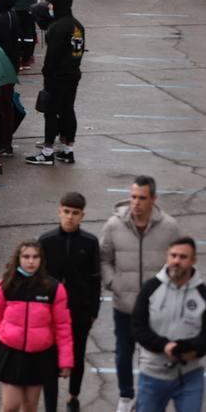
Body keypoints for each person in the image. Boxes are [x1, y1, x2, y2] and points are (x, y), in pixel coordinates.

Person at [103, 175, 183, 412]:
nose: (136, 203)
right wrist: (112, 282)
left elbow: (179, 263)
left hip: (156, 308)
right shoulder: (113, 225)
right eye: (133, 197)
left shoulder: (169, 227)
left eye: (142, 198)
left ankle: (150, 397)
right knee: (123, 353)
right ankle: (126, 397)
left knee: (154, 355)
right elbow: (104, 258)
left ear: (153, 199)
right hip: (124, 304)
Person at [0, 240, 75, 412]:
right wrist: (7, 335)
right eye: (26, 256)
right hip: (12, 353)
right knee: (10, 406)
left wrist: (65, 360)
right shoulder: (5, 286)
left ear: (41, 260)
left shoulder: (53, 288)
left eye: (35, 257)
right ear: (18, 259)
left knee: (30, 406)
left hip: (39, 355)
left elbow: (62, 326)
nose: (31, 261)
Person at [39, 192, 101, 412]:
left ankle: (73, 396)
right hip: (50, 312)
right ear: (59, 211)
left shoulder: (90, 242)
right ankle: (50, 405)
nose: (70, 217)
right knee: (49, 358)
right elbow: (39, 276)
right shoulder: (46, 241)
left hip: (79, 310)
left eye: (75, 213)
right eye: (66, 212)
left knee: (77, 355)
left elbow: (95, 279)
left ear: (82, 215)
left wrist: (93, 310)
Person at [132, 237, 205, 412]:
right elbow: (137, 328)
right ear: (167, 256)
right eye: (173, 256)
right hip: (152, 374)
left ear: (193, 260)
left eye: (183, 257)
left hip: (190, 375)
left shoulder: (202, 294)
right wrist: (165, 346)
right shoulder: (150, 288)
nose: (176, 261)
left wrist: (192, 349)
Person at [26, 0, 84, 166]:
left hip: (57, 77)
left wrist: (46, 74)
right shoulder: (77, 25)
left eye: (51, 4)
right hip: (73, 74)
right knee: (68, 110)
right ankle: (68, 149)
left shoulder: (58, 27)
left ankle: (47, 152)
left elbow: (52, 57)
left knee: (51, 113)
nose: (49, 7)